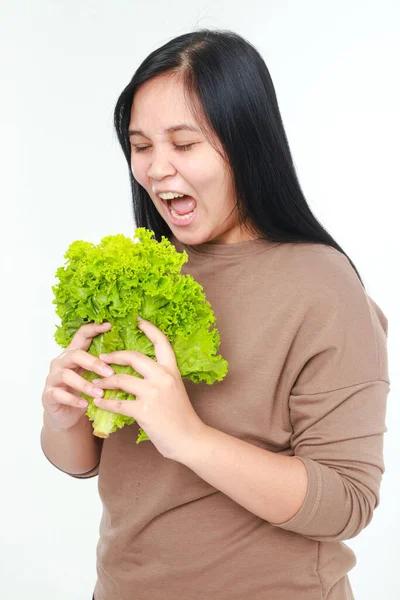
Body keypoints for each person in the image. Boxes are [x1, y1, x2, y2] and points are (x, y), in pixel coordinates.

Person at [41, 29, 390, 600]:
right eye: (141, 144)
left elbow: (347, 503)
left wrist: (189, 437)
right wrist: (64, 420)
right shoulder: (148, 273)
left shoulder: (323, 286)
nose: (155, 169)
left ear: (246, 144)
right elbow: (90, 465)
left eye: (184, 143)